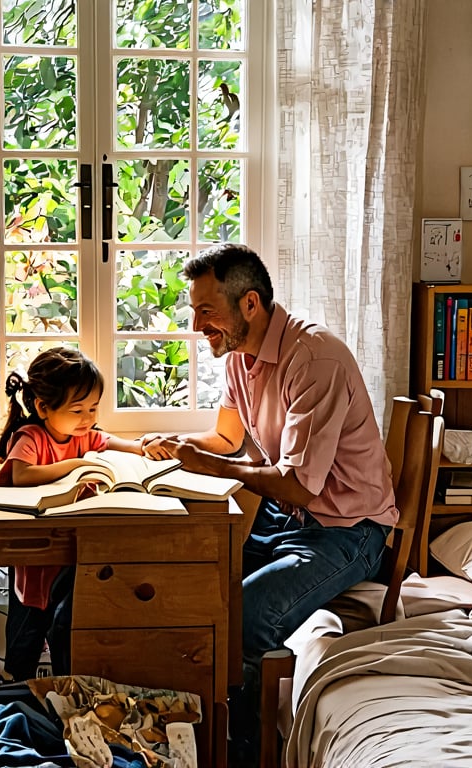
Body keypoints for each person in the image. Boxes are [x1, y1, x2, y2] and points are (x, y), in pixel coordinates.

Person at [141, 244, 397, 765]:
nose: (197, 325)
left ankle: (246, 754)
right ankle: (190, 738)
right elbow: (226, 438)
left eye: (206, 312)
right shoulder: (239, 357)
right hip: (293, 517)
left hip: (348, 529)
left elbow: (299, 484)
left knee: (248, 616)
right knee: (197, 587)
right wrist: (176, 445)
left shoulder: (314, 358)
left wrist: (212, 466)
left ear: (249, 304)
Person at [0, 347, 143, 681]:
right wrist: (78, 465)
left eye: (93, 408)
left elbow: (118, 443)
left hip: (71, 555)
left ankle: (67, 697)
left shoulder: (86, 436)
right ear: (43, 407)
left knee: (66, 628)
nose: (88, 418)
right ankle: (13, 696)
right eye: (78, 410)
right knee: (25, 637)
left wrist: (146, 447)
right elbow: (21, 474)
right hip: (34, 558)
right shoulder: (31, 436)